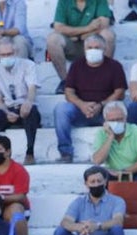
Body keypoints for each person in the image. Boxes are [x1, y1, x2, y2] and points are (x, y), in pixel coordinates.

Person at [54, 33, 126, 163]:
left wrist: (101, 105)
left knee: (123, 110)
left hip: (105, 112)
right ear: (84, 50)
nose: (93, 50)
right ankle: (65, 152)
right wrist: (82, 105)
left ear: (104, 49)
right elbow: (68, 92)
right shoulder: (76, 65)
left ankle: (121, 151)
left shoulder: (114, 66)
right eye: (90, 47)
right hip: (81, 111)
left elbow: (120, 92)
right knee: (61, 109)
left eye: (97, 47)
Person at [92, 101, 137, 218]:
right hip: (112, 175)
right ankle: (97, 213)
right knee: (94, 173)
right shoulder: (101, 133)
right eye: (112, 120)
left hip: (134, 173)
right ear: (106, 122)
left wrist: (123, 172)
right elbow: (97, 160)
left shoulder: (136, 131)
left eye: (120, 119)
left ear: (125, 118)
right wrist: (110, 137)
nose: (116, 123)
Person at [0, 37, 39, 163]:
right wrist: (6, 112)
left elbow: (32, 87)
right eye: (3, 55)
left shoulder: (28, 65)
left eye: (9, 54)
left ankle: (30, 152)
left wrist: (28, 102)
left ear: (15, 52)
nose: (6, 57)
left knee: (32, 111)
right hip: (7, 110)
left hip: (24, 108)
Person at [52, 165, 126, 235]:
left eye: (99, 181)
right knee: (60, 232)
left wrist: (97, 226)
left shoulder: (117, 201)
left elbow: (118, 221)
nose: (96, 184)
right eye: (92, 182)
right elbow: (65, 222)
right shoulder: (78, 202)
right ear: (86, 184)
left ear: (105, 181)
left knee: (117, 230)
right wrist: (80, 227)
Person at [47, 0, 115, 91]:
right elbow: (58, 28)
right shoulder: (64, 1)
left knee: (108, 35)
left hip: (93, 44)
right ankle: (66, 82)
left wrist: (80, 35)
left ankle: (102, 79)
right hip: (73, 45)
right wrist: (88, 28)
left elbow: (104, 24)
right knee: (52, 39)